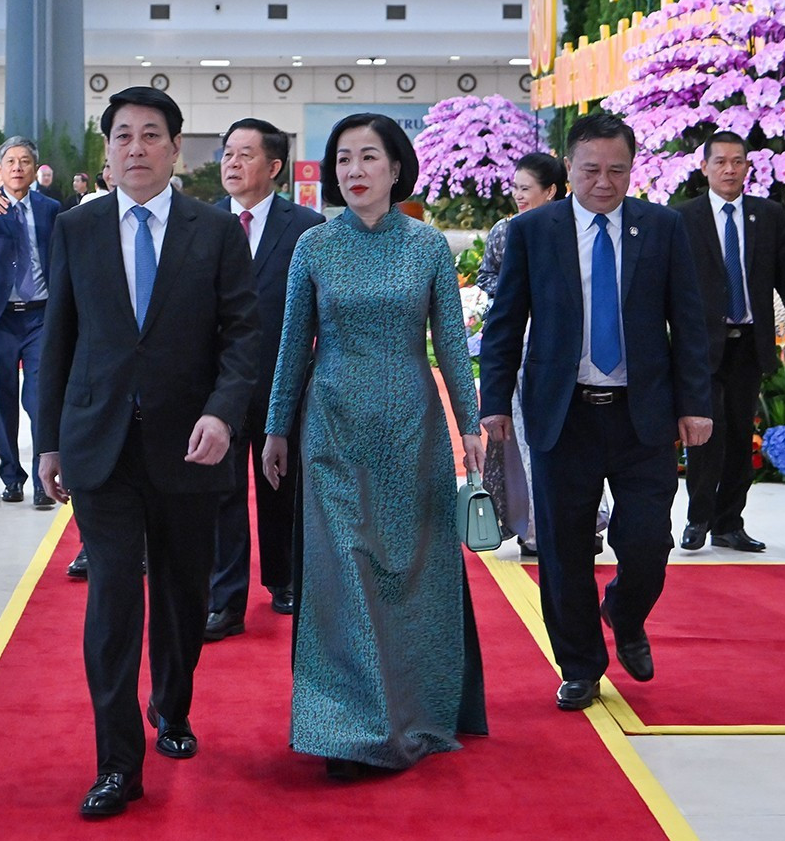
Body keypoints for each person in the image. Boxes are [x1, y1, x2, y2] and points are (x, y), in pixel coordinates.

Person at [35, 86, 260, 820]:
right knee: (111, 597)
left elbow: (243, 336)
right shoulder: (76, 227)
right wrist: (48, 440)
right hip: (99, 442)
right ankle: (117, 763)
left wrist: (223, 414)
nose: (136, 147)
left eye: (151, 135)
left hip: (191, 444)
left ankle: (173, 703)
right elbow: (59, 338)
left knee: (183, 591)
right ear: (108, 151)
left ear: (175, 148)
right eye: (123, 135)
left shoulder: (214, 230)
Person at [259, 113, 484, 778]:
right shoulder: (315, 247)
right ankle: (349, 727)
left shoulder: (428, 246)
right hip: (331, 429)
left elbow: (452, 344)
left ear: (395, 168)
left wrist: (470, 426)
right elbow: (293, 345)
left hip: (414, 433)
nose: (354, 171)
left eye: (368, 157)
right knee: (343, 574)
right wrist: (276, 427)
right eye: (343, 159)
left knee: (410, 576)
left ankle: (413, 711)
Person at [478, 111, 712, 712]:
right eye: (590, 170)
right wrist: (494, 402)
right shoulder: (534, 231)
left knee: (649, 540)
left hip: (643, 414)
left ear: (632, 169)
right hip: (564, 414)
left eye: (617, 170)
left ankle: (626, 613)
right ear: (569, 167)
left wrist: (695, 403)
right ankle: (580, 665)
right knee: (563, 548)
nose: (604, 182)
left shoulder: (661, 227)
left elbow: (688, 321)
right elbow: (505, 323)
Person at [204, 118, 322, 641]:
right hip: (219, 386)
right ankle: (225, 599)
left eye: (245, 155)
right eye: (227, 153)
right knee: (221, 492)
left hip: (284, 380)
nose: (232, 163)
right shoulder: (203, 223)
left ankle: (285, 578)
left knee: (282, 484)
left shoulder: (306, 227)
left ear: (274, 166)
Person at [679, 132, 785, 553]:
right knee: (707, 432)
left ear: (747, 166)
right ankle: (697, 519)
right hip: (702, 346)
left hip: (748, 343)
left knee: (741, 435)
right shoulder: (683, 218)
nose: (729, 169)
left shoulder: (768, 215)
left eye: (737, 161)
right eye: (720, 162)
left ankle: (729, 523)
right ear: (704, 167)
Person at [475, 151, 567, 557]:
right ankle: (531, 526)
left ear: (551, 191)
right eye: (515, 188)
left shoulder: (571, 229)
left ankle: (576, 522)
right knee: (523, 437)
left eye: (525, 188)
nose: (518, 195)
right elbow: (486, 276)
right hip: (519, 343)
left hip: (561, 345)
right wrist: (516, 295)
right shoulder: (504, 230)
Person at [0, 137, 61, 507]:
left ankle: (42, 479)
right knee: (0, 398)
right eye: (11, 162)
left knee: (39, 398)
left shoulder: (50, 209)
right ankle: (11, 475)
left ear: (35, 169)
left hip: (40, 316)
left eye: (24, 161)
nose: (17, 168)